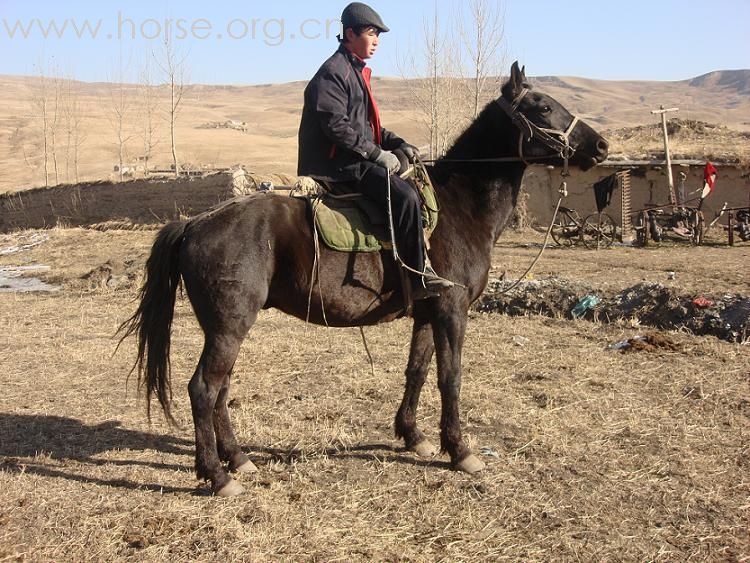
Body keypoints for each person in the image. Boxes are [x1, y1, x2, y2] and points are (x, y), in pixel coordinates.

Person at [297, 2, 452, 298]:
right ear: (350, 33)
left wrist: (397, 144)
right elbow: (337, 127)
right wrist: (377, 155)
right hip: (337, 165)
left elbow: (369, 130)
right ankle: (417, 277)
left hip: (353, 158)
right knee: (405, 197)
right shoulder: (333, 73)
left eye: (379, 35)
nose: (377, 41)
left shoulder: (354, 71)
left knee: (415, 187)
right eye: (372, 33)